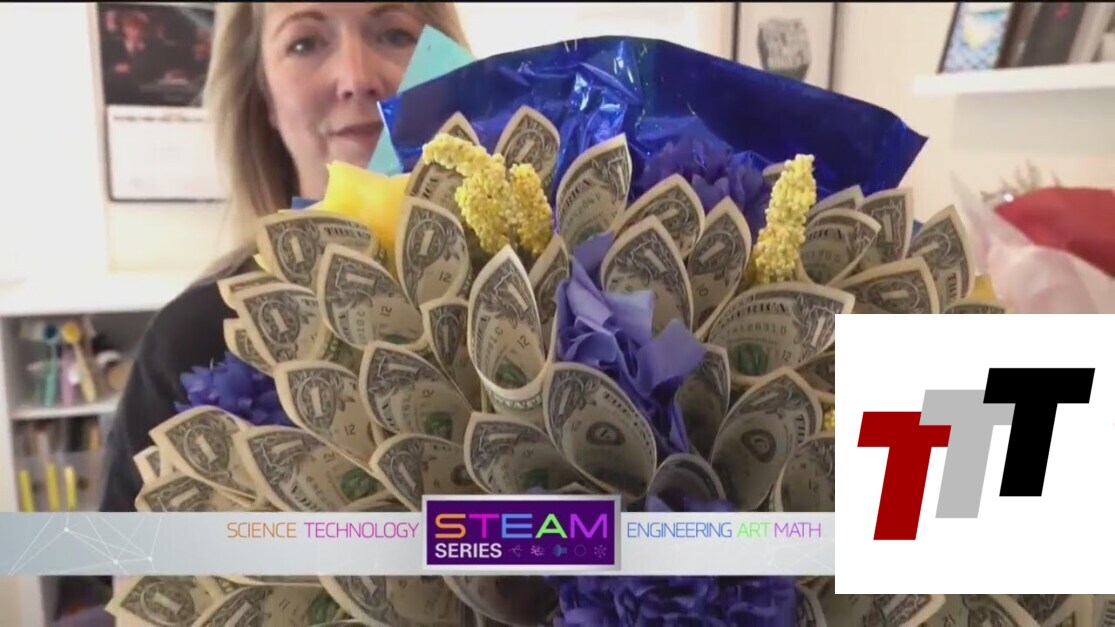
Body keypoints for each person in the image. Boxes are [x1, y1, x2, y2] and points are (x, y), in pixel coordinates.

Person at [98, 2, 470, 512]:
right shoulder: (190, 342)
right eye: (305, 43)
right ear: (263, 97)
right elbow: (122, 556)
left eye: (394, 33)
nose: (356, 78)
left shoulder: (550, 301)